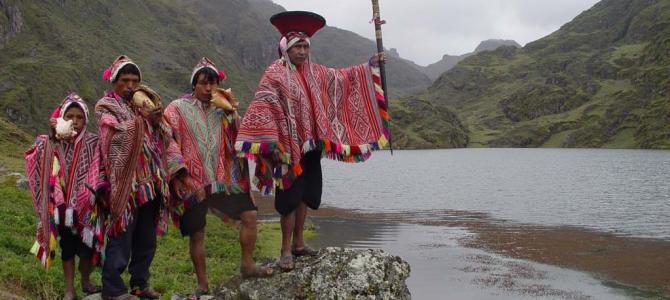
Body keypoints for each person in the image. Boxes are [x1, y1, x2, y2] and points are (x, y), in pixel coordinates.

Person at [235, 11, 390, 271]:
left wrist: (370, 65)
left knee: (306, 195)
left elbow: (342, 79)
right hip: (286, 148)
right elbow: (262, 103)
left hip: (311, 146)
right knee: (289, 199)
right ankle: (284, 250)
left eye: (306, 46)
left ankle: (298, 243)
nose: (303, 51)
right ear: (286, 48)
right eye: (298, 46)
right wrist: (272, 140)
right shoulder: (274, 73)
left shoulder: (316, 72)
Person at [164, 57, 273, 297]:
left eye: (213, 83)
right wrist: (180, 171)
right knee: (198, 232)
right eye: (203, 83)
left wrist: (232, 114)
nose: (208, 89)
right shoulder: (177, 108)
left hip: (223, 179)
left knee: (250, 215)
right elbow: (167, 138)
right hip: (192, 181)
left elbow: (241, 140)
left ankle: (247, 264)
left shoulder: (224, 109)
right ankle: (203, 284)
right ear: (194, 84)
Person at [96, 55, 170, 300]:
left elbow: (165, 138)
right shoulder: (106, 106)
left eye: (134, 81)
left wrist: (158, 124)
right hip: (126, 184)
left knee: (146, 238)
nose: (130, 86)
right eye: (124, 80)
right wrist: (142, 122)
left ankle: (140, 283)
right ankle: (113, 288)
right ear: (114, 81)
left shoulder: (143, 105)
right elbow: (113, 138)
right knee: (122, 235)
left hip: (150, 182)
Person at [25, 93, 103, 300]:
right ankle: (70, 289)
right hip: (62, 207)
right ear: (62, 118)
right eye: (70, 116)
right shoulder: (53, 141)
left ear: (86, 119)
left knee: (87, 247)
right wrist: (52, 137)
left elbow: (100, 165)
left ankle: (85, 281)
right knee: (67, 247)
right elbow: (37, 156)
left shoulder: (93, 141)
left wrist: (90, 193)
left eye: (79, 117)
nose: (75, 121)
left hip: (87, 205)